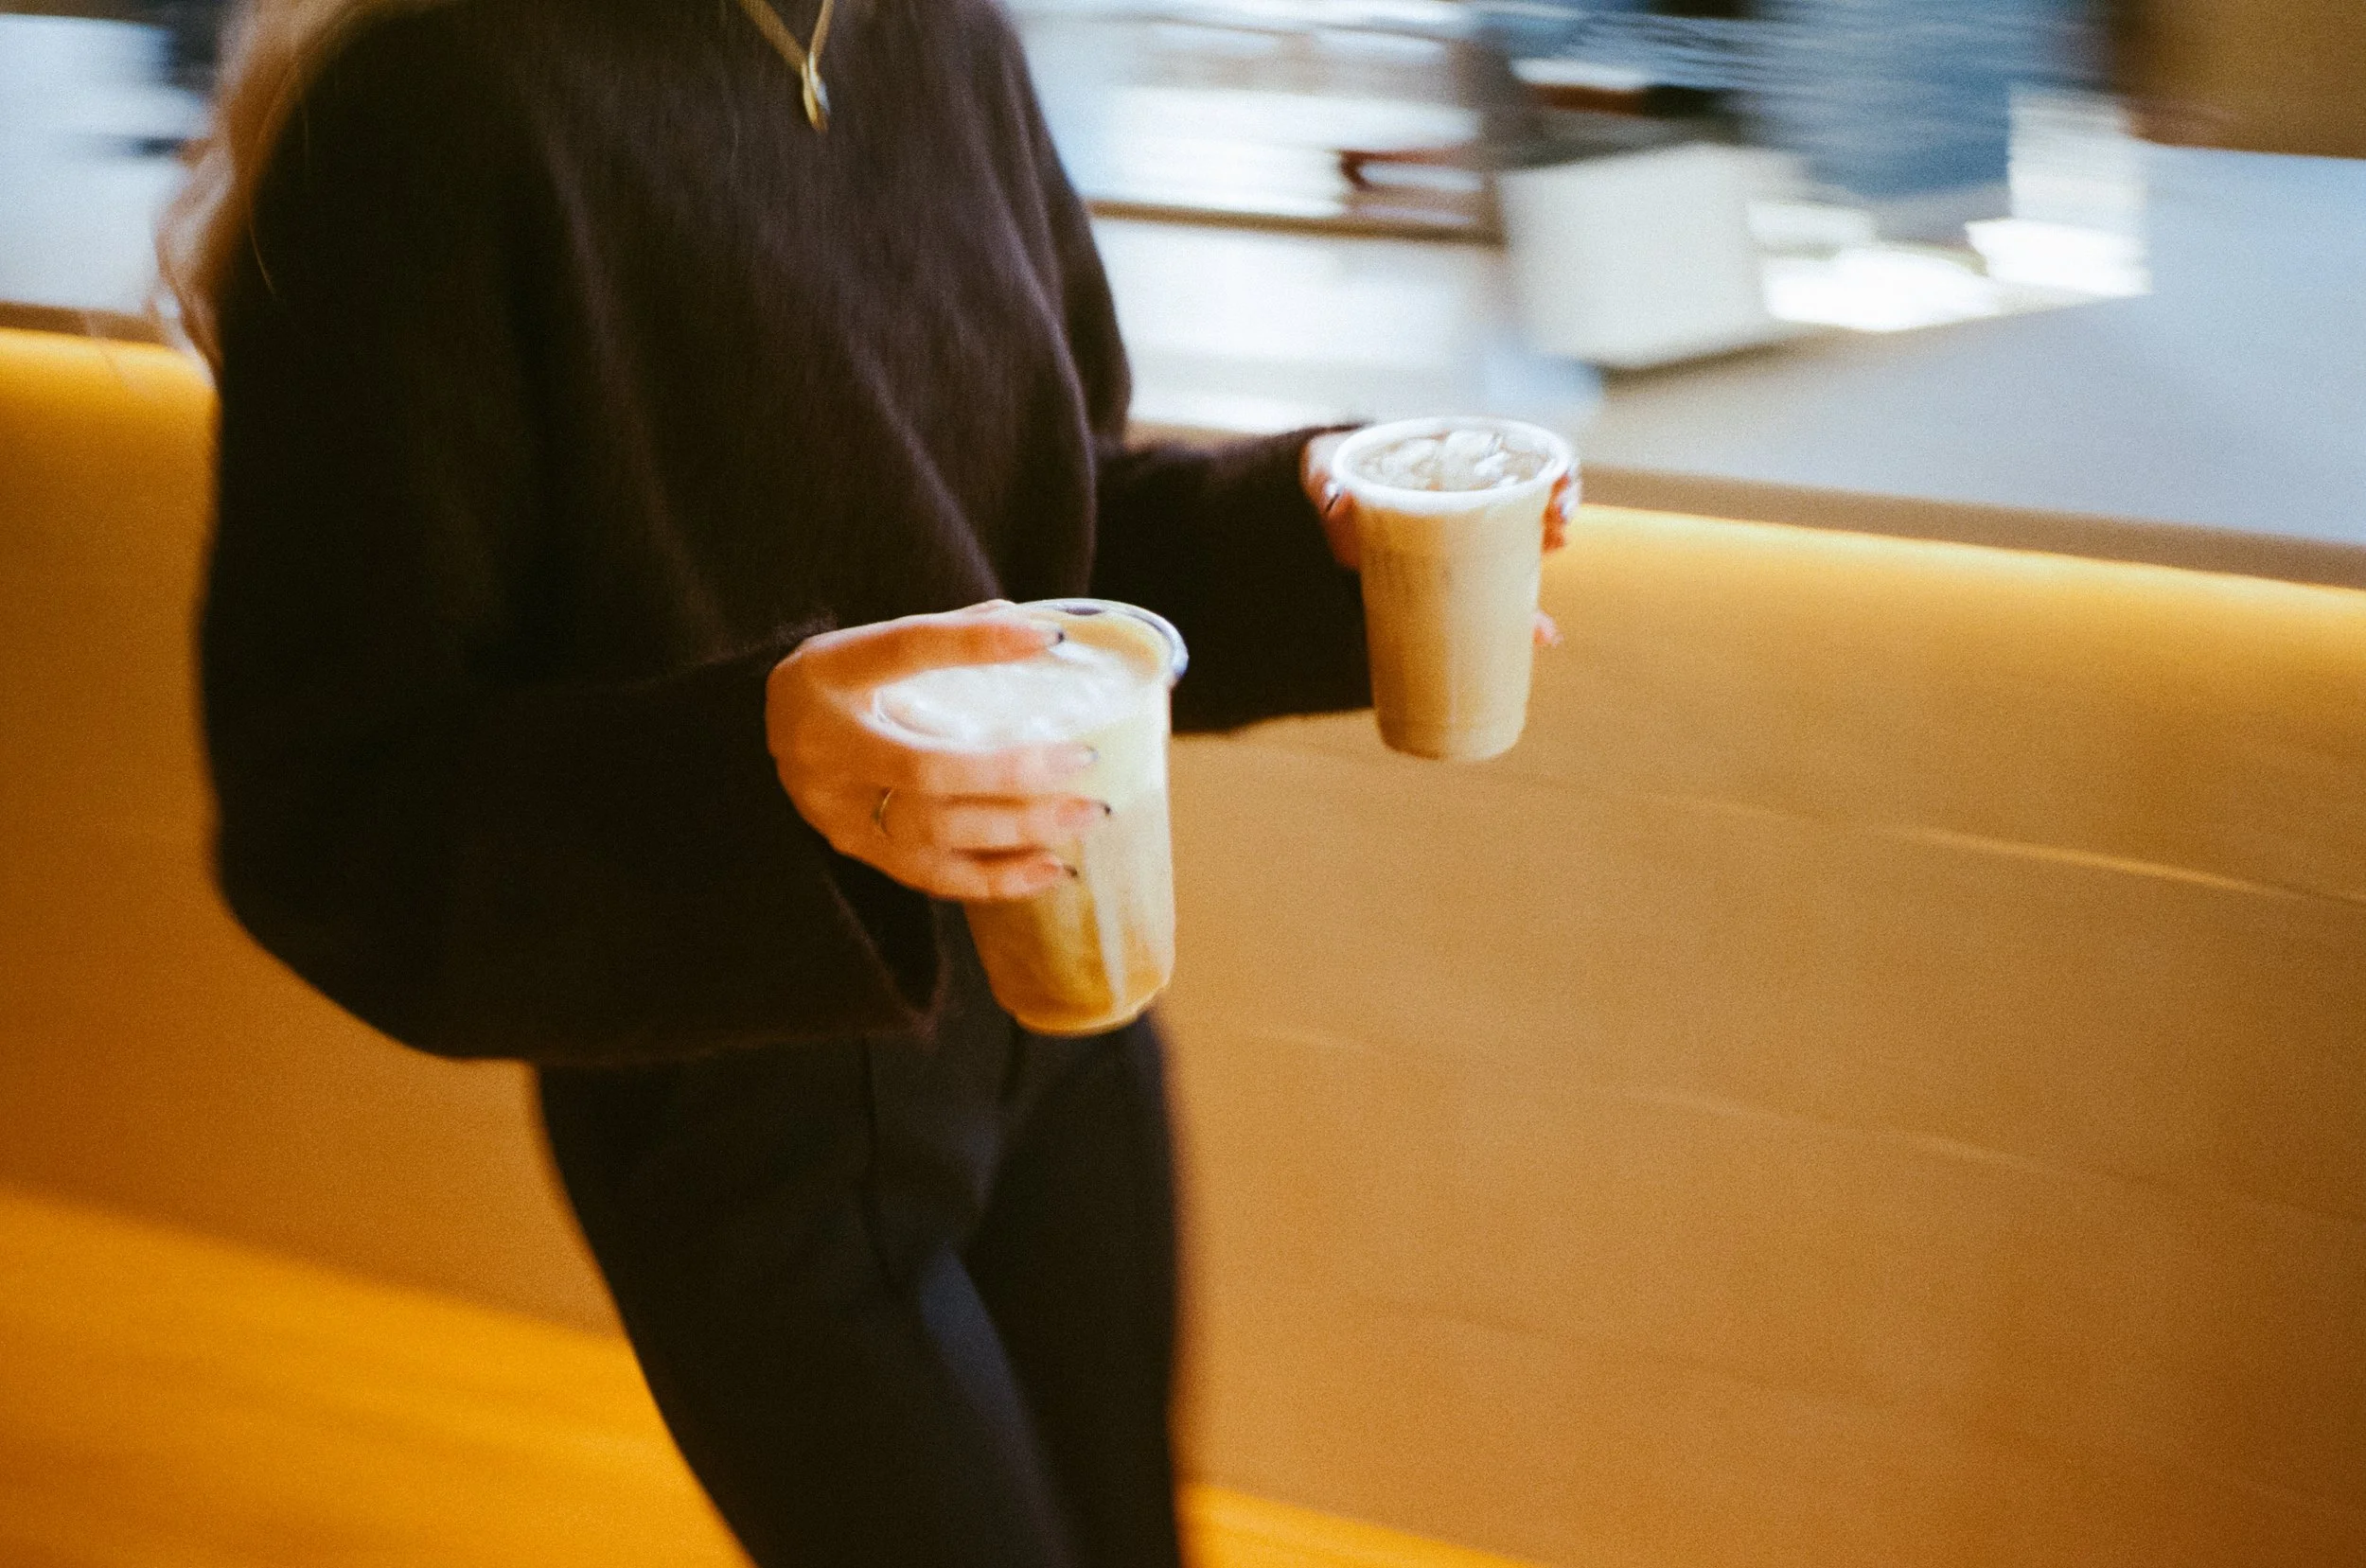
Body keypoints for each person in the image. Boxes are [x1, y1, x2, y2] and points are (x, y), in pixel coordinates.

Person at [164, 0, 1573, 1563]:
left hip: (1065, 1006)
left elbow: (1044, 549)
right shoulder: (428, 106)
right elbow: (330, 811)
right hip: (741, 1130)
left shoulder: (937, 30)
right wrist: (765, 762)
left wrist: (1309, 541)